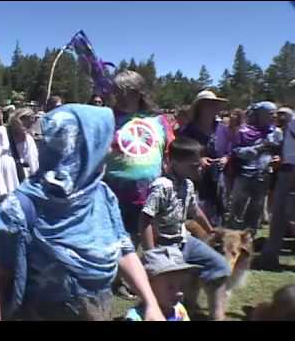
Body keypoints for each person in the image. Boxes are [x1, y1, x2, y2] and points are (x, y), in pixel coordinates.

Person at [0, 104, 165, 321]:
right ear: (82, 148)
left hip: (97, 311)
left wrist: (151, 302)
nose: (111, 149)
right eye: (104, 141)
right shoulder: (21, 208)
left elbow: (123, 249)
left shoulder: (102, 194)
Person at [139, 136, 231, 321]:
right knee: (167, 289)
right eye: (193, 165)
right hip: (165, 247)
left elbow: (194, 210)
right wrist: (151, 253)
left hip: (184, 240)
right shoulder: (162, 187)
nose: (199, 168)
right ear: (174, 162)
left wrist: (210, 229)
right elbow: (145, 220)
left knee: (220, 267)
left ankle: (217, 315)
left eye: (199, 164)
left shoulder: (188, 184)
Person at [105, 70, 174, 244]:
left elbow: (169, 153)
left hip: (150, 196)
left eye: (125, 93)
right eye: (117, 92)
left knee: (150, 249)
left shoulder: (159, 121)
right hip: (114, 194)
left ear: (138, 93)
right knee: (117, 246)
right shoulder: (107, 119)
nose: (120, 98)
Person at [228, 102, 281, 232]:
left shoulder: (276, 132)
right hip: (243, 175)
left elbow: (279, 151)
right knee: (237, 208)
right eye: (270, 114)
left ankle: (249, 238)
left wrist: (278, 158)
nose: (273, 116)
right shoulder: (243, 131)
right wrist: (258, 148)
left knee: (256, 208)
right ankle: (233, 237)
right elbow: (236, 151)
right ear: (259, 115)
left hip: (263, 175)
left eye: (275, 113)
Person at [180, 90, 229, 227]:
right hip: (196, 179)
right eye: (209, 104)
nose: (213, 108)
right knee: (197, 211)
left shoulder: (222, 129)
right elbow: (181, 152)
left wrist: (226, 158)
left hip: (218, 178)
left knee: (218, 211)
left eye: (215, 105)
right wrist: (198, 160)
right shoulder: (187, 131)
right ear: (200, 107)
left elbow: (229, 149)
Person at [260, 83, 295, 270]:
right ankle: (269, 257)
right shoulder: (292, 119)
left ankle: (269, 256)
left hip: (291, 172)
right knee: (279, 217)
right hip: (287, 169)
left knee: (281, 215)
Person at [126, 247, 200, 321]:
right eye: (170, 287)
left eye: (181, 286)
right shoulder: (135, 317)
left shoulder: (179, 310)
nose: (180, 293)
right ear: (148, 285)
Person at [0, 108, 39, 205]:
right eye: (24, 120)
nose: (27, 125)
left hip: (22, 175)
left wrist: (35, 179)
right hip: (3, 175)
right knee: (3, 203)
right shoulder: (2, 132)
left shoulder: (29, 139)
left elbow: (33, 160)